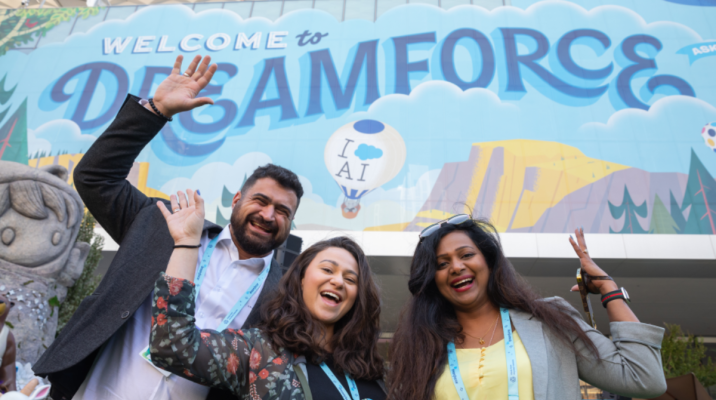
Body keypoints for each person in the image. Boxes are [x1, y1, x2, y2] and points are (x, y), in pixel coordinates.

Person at [33, 55, 304, 400]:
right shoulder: (160, 226)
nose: (268, 215)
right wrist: (156, 111)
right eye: (261, 201)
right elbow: (95, 177)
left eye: (283, 211)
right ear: (236, 199)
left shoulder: (285, 295)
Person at [388, 216, 668, 400]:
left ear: (489, 260)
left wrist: (609, 289)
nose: (457, 267)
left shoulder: (549, 321)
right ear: (432, 280)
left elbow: (644, 377)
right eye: (442, 264)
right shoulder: (422, 346)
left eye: (466, 255)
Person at [147, 189, 386, 399]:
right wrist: (186, 242)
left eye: (350, 279)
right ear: (302, 280)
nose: (337, 281)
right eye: (327, 269)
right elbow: (173, 345)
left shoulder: (372, 371)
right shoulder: (259, 351)